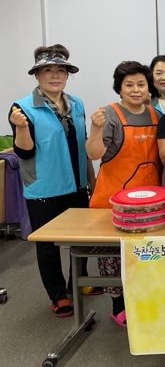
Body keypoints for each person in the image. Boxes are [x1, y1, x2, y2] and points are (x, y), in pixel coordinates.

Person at [8, 44, 93, 318]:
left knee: (82, 239)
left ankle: (76, 283)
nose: (55, 76)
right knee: (48, 245)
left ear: (67, 75)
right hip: (44, 189)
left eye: (61, 70)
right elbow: (24, 152)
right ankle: (58, 295)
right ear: (37, 75)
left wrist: (91, 180)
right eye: (48, 71)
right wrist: (21, 127)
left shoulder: (77, 104)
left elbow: (83, 144)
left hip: (77, 185)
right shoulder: (23, 108)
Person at [86, 61, 160, 327]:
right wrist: (96, 129)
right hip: (114, 200)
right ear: (119, 88)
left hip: (149, 202)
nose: (136, 90)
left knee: (144, 256)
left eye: (141, 84)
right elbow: (94, 153)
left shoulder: (155, 115)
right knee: (113, 258)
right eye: (129, 85)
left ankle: (142, 300)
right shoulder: (110, 114)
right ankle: (118, 305)